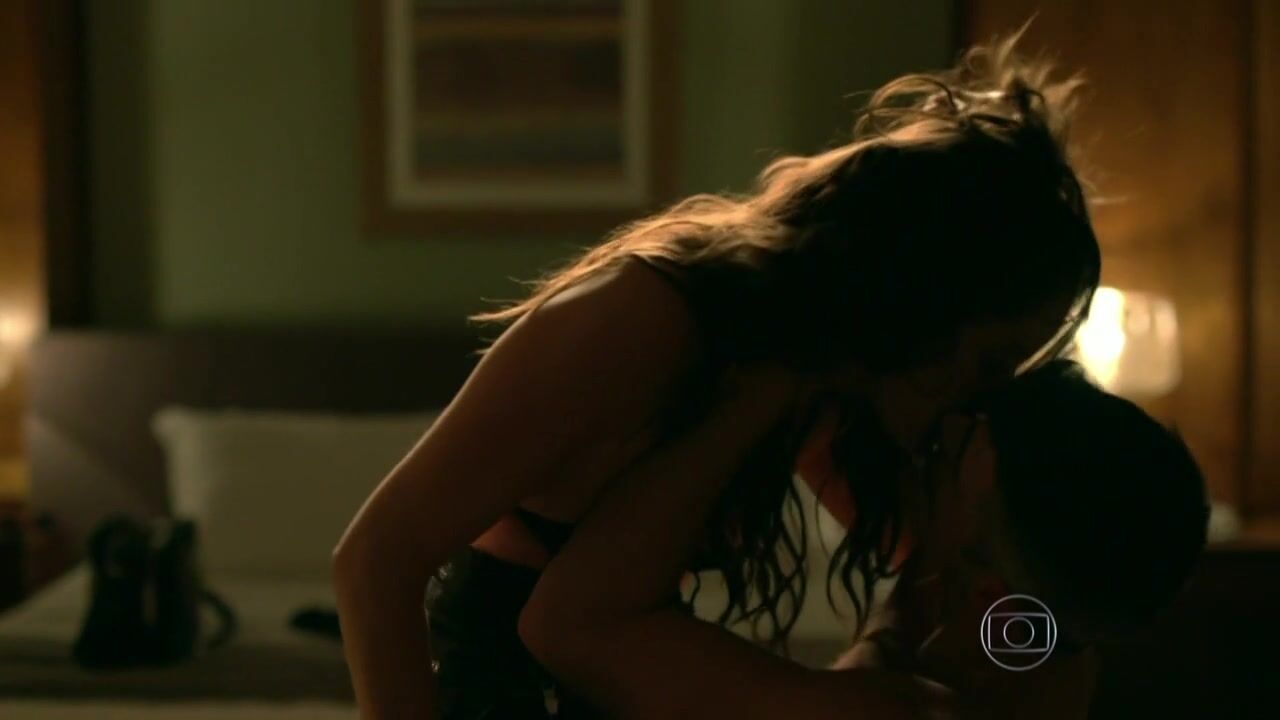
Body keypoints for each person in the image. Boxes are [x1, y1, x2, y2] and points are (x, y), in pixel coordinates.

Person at [332, 34, 1099, 719]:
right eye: (989, 361)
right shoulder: (641, 318)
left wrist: (1018, 646)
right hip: (495, 691)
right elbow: (376, 559)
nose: (983, 392)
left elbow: (940, 587)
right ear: (933, 296)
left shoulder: (818, 371)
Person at [524, 360, 1208, 719]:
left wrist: (770, 383)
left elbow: (563, 624)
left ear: (983, 595)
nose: (911, 452)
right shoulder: (1051, 651)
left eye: (937, 460)